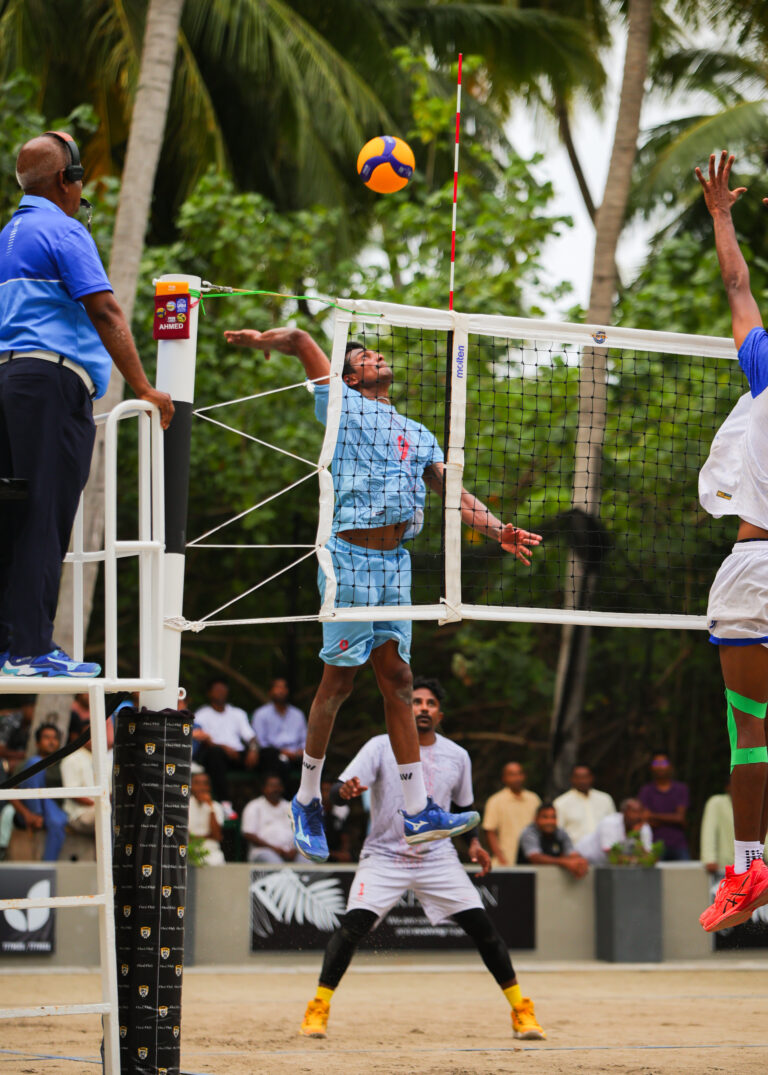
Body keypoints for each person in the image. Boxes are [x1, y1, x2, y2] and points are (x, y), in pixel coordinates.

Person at [224, 326, 541, 862]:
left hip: (395, 563)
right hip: (349, 557)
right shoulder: (342, 405)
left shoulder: (416, 432)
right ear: (350, 377)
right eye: (364, 356)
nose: (376, 356)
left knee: (398, 680)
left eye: (375, 353)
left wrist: (497, 530)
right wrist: (261, 340)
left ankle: (417, 810)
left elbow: (454, 492)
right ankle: (307, 798)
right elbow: (299, 340)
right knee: (339, 683)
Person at [0, 131, 173, 677]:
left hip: (7, 383)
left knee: (11, 517)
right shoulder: (64, 229)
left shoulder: (7, 235)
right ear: (65, 180)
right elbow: (106, 312)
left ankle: (10, 648)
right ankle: (29, 650)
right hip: (49, 387)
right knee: (44, 516)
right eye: (79, 181)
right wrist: (144, 388)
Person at [299, 677, 545, 1041]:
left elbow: (463, 807)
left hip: (437, 857)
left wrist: (474, 845)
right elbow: (335, 791)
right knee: (352, 928)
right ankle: (318, 1007)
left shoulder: (457, 756)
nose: (423, 708)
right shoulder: (379, 746)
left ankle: (521, 1010)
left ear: (440, 715)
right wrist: (343, 791)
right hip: (384, 856)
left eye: (430, 703)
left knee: (484, 930)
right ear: (403, 708)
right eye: (415, 702)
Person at [695, 150, 768, 930]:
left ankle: (749, 864)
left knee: (750, 723)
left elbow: (738, 285)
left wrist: (722, 215)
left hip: (756, 566)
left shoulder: (767, 367)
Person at [192, 678, 259, 803]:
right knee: (216, 754)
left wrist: (253, 749)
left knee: (269, 754)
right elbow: (202, 739)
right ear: (209, 693)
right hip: (214, 754)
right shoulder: (201, 714)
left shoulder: (238, 713)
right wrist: (224, 748)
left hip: (237, 755)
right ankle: (224, 803)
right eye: (217, 690)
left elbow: (250, 736)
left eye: (223, 690)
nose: (221, 693)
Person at [9, 723, 68, 861]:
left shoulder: (62, 764)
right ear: (37, 743)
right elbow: (11, 794)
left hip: (52, 809)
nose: (51, 741)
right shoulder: (26, 764)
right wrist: (28, 814)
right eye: (46, 737)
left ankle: (48, 868)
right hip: (28, 810)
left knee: (58, 822)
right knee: (36, 763)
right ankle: (36, 814)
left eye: (54, 738)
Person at [251, 677, 307, 790]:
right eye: (277, 687)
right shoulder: (261, 714)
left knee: (317, 761)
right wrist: (282, 752)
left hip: (297, 755)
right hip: (273, 754)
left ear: (288, 691)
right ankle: (284, 797)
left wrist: (300, 751)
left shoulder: (298, 714)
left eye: (283, 688)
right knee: (277, 761)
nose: (281, 691)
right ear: (270, 692)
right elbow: (261, 741)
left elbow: (305, 739)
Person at [482, 762, 541, 867]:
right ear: (504, 778)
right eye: (512, 774)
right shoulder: (495, 801)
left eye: (519, 773)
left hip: (532, 860)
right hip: (506, 860)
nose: (517, 778)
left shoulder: (534, 799)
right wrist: (501, 859)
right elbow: (490, 832)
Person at [637, 754, 690, 861]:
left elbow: (680, 818)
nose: (660, 766)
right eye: (656, 763)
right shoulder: (646, 791)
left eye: (663, 763)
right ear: (651, 767)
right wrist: (673, 819)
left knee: (685, 871)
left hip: (678, 844)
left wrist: (653, 815)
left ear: (671, 767)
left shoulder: (681, 788)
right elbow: (644, 819)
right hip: (654, 844)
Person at [517, 803, 589, 879]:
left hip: (553, 880)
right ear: (536, 819)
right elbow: (535, 858)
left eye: (553, 817)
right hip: (527, 880)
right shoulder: (529, 832)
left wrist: (579, 861)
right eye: (545, 817)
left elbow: (571, 853)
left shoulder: (560, 832)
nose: (550, 821)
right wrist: (565, 862)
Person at [576, 798, 653, 866]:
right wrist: (637, 860)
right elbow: (613, 857)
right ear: (623, 812)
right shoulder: (609, 823)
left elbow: (648, 857)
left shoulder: (644, 827)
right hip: (583, 857)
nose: (637, 816)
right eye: (634, 812)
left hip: (605, 865)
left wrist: (637, 835)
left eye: (640, 812)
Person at [553, 764, 615, 845]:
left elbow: (613, 826)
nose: (582, 781)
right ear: (571, 779)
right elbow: (558, 831)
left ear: (592, 778)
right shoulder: (561, 803)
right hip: (575, 850)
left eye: (585, 777)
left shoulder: (605, 799)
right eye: (578, 777)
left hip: (603, 849)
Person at [241, 774, 297, 864]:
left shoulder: (290, 807)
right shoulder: (254, 806)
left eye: (278, 786)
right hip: (264, 851)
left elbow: (302, 832)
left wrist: (296, 850)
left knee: (309, 862)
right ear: (263, 788)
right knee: (275, 863)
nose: (276, 789)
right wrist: (274, 849)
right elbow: (248, 834)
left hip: (291, 852)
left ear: (282, 788)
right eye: (272, 786)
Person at [188, 768, 226, 866]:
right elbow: (186, 837)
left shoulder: (216, 806)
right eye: (197, 783)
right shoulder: (185, 806)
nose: (201, 787)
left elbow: (217, 836)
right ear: (191, 786)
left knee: (217, 860)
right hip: (190, 850)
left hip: (212, 850)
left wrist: (210, 807)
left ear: (209, 787)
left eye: (205, 784)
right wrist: (208, 836)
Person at [60, 737, 97, 835]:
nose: (94, 739)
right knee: (110, 813)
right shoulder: (72, 758)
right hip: (79, 814)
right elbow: (73, 793)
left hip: (96, 809)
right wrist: (99, 803)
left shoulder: (102, 757)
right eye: (89, 736)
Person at [700, 781, 736, 876]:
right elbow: (709, 831)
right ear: (728, 787)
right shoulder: (717, 802)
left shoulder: (757, 804)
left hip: (755, 867)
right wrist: (709, 859)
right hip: (724, 867)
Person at [320, 777, 353, 862]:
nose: (326, 794)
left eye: (329, 791)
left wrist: (343, 852)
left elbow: (345, 837)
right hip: (318, 854)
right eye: (324, 790)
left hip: (335, 853)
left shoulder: (342, 810)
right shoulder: (313, 811)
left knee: (346, 857)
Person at [0, 700, 35, 770]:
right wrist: (21, 755)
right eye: (32, 708)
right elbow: (1, 750)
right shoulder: (10, 721)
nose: (34, 712)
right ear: (25, 708)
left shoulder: (32, 724)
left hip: (21, 761)